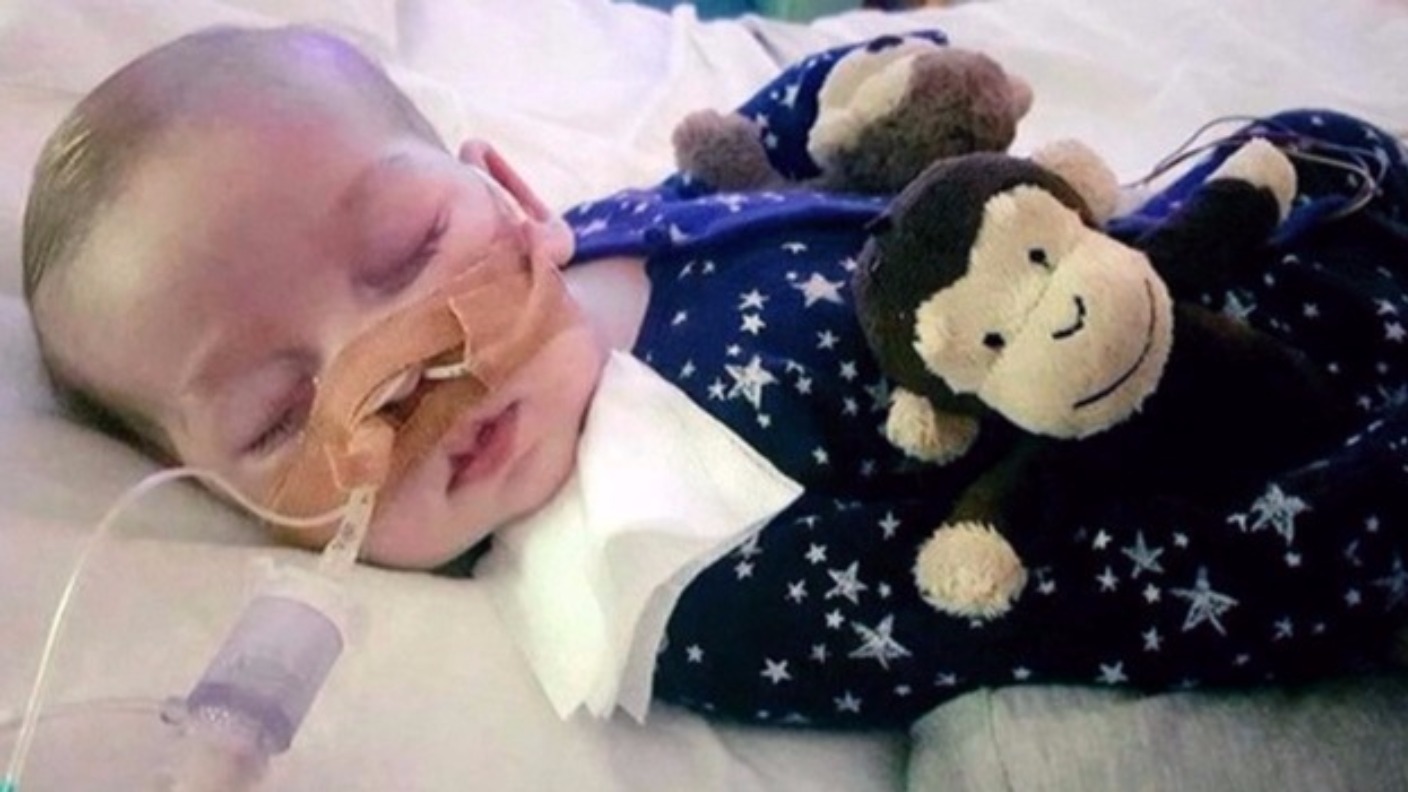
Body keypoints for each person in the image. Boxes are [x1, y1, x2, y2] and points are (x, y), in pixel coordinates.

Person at [22, 25, 1408, 728]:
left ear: (510, 196)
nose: (396, 377)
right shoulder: (670, 579)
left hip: (1160, 234)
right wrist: (1342, 527)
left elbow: (732, 176)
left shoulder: (583, 248)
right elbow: (1054, 604)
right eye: (280, 416)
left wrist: (846, 95)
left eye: (406, 247)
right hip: (1286, 403)